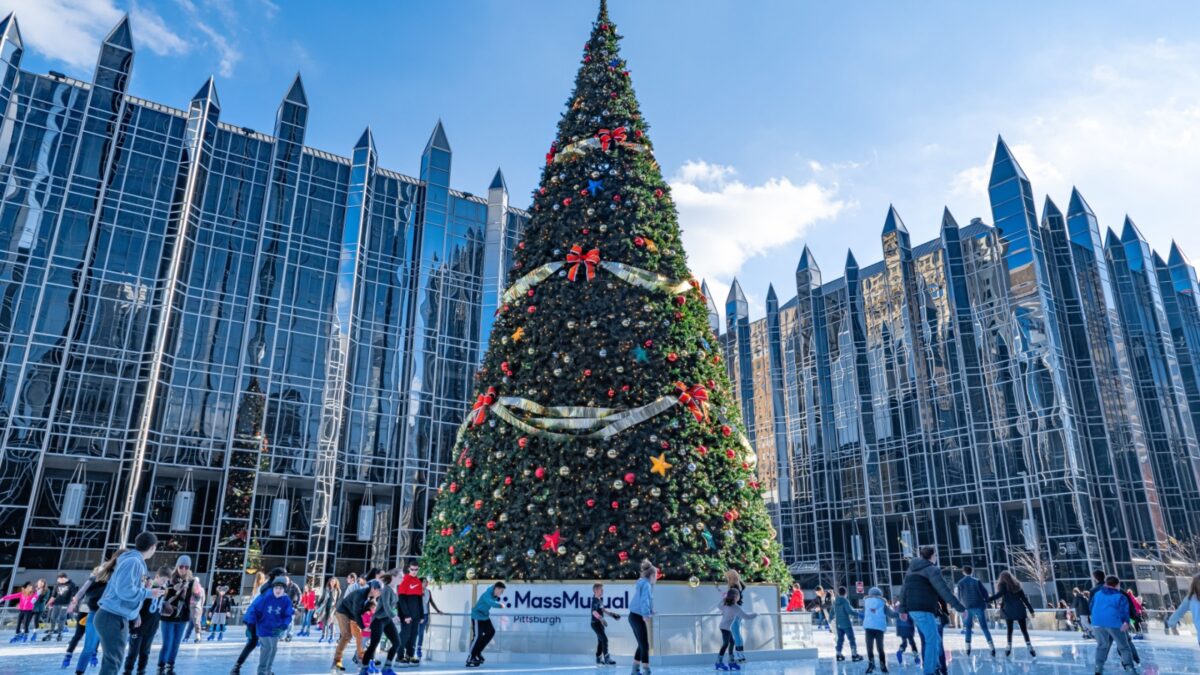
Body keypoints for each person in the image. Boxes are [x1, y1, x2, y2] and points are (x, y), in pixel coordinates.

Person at [93, 531, 160, 675]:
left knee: (112, 661)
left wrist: (135, 613)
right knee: (113, 662)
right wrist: (149, 593)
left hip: (115, 617)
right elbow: (124, 591)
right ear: (153, 547)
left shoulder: (135, 562)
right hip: (112, 617)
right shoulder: (133, 562)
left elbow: (128, 590)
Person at [897, 546, 964, 675]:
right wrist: (960, 607)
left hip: (913, 609)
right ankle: (929, 671)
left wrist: (903, 610)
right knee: (931, 640)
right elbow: (944, 590)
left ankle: (936, 664)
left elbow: (903, 590)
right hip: (924, 609)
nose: (936, 558)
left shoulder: (910, 570)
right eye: (936, 555)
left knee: (935, 638)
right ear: (932, 556)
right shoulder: (932, 570)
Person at [65, 549, 125, 672]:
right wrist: (74, 600)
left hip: (114, 615)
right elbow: (85, 589)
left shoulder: (125, 575)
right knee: (89, 647)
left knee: (112, 650)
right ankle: (79, 671)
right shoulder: (102, 572)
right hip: (96, 612)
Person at [231, 566, 287, 674]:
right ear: (276, 576)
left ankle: (237, 668)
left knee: (255, 644)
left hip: (257, 620)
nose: (285, 578)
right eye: (283, 575)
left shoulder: (269, 586)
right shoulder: (270, 589)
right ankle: (263, 671)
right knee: (267, 646)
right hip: (258, 620)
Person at [158, 555, 201, 674]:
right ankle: (161, 667)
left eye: (186, 567)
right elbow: (161, 594)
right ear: (177, 566)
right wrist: (172, 589)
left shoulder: (192, 582)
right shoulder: (169, 580)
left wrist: (196, 596)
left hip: (182, 617)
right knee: (167, 643)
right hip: (168, 616)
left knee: (176, 644)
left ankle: (170, 667)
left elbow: (197, 598)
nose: (183, 569)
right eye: (181, 566)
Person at [123, 566, 169, 675]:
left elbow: (158, 608)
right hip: (138, 625)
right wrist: (137, 615)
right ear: (157, 576)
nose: (164, 583)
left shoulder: (163, 590)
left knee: (145, 651)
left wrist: (165, 610)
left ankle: (141, 670)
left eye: (167, 581)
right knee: (133, 652)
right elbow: (137, 601)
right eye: (163, 580)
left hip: (152, 626)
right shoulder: (147, 586)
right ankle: (127, 671)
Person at [243, 578, 294, 675]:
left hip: (275, 629)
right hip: (263, 627)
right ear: (273, 588)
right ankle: (261, 671)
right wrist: (250, 625)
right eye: (276, 588)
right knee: (267, 648)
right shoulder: (265, 597)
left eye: (280, 588)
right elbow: (253, 610)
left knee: (273, 649)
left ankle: (268, 670)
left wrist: (283, 626)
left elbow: (288, 615)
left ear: (284, 589)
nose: (278, 590)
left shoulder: (286, 600)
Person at [359, 574, 404, 675]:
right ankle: (364, 669)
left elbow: (396, 605)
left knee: (397, 642)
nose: (402, 578)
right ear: (393, 577)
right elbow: (386, 605)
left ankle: (386, 668)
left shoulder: (395, 589)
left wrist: (401, 615)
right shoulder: (386, 589)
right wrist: (393, 616)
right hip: (378, 620)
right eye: (400, 576)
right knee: (373, 645)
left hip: (387, 620)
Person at [1091, 575, 1136, 674]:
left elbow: (1091, 607)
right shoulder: (1120, 596)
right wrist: (1126, 622)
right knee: (1123, 646)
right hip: (1114, 623)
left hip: (1097, 622)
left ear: (1106, 584)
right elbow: (1124, 611)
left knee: (1102, 645)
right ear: (1117, 585)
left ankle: (1098, 667)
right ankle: (1129, 668)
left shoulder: (1097, 594)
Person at [331, 579, 379, 672]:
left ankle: (361, 658)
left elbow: (366, 611)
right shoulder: (360, 595)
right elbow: (357, 613)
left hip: (353, 615)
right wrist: (364, 627)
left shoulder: (371, 597)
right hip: (343, 612)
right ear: (373, 589)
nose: (380, 593)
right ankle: (337, 660)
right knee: (347, 635)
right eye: (379, 591)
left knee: (359, 635)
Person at [986, 570, 1035, 658]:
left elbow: (998, 595)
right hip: (1020, 609)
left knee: (1010, 630)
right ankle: (1030, 647)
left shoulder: (1003, 586)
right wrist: (1031, 611)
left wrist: (987, 599)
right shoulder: (1017, 585)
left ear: (1002, 578)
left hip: (1009, 610)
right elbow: (1024, 599)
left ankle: (1009, 647)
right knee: (1024, 630)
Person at [955, 565, 995, 657]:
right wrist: (987, 600)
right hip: (979, 606)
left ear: (963, 572)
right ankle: (991, 647)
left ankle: (967, 648)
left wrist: (961, 606)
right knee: (984, 627)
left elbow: (959, 597)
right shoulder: (977, 581)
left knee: (968, 627)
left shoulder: (960, 582)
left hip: (967, 607)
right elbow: (984, 593)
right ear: (972, 572)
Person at [714, 588, 756, 671]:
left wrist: (725, 598)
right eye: (738, 595)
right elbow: (746, 616)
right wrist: (756, 614)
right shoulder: (735, 607)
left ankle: (731, 661)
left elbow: (719, 606)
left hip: (724, 627)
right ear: (736, 597)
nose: (739, 597)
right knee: (726, 643)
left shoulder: (726, 604)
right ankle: (719, 662)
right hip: (725, 628)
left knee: (732, 642)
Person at [467, 581, 506, 669]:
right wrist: (500, 605)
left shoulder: (495, 594)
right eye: (501, 591)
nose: (502, 593)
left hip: (484, 617)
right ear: (497, 589)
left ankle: (477, 652)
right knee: (478, 636)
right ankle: (471, 657)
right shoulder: (487, 594)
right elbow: (491, 603)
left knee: (491, 632)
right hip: (477, 616)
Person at [862, 587, 896, 674]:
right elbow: (891, 614)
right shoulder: (883, 603)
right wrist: (900, 614)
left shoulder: (866, 602)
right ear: (880, 594)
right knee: (880, 648)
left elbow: (864, 613)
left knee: (869, 647)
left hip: (869, 628)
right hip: (879, 628)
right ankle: (883, 665)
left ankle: (871, 664)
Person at [396, 562, 424, 665]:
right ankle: (399, 656)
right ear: (408, 569)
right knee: (405, 635)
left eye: (416, 569)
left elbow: (420, 600)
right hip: (406, 615)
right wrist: (406, 615)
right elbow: (401, 600)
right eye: (412, 569)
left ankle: (410, 655)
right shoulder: (404, 580)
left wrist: (421, 615)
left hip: (416, 615)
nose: (414, 571)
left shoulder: (418, 582)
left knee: (413, 635)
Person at [721, 570, 748, 664]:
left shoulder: (733, 587)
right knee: (737, 633)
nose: (727, 579)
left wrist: (725, 597)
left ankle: (740, 656)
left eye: (728, 577)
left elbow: (732, 601)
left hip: (735, 612)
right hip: (738, 610)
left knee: (736, 634)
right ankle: (741, 656)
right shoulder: (739, 586)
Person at [590, 583, 621, 666]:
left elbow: (603, 610)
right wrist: (601, 618)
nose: (602, 591)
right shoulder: (594, 600)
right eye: (601, 589)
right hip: (595, 624)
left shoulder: (599, 600)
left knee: (601, 640)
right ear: (595, 590)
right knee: (604, 639)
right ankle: (607, 658)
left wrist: (613, 615)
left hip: (600, 624)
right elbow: (594, 612)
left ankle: (598, 658)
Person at [1167, 573, 1200, 647]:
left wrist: (1171, 623)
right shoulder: (1190, 599)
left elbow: (1179, 612)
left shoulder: (1190, 599)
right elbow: (1179, 612)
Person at [832, 586, 862, 662]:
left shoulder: (835, 602)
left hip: (838, 624)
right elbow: (849, 611)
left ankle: (838, 655)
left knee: (840, 640)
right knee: (851, 639)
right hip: (846, 624)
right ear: (845, 593)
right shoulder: (845, 601)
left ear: (838, 593)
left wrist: (829, 620)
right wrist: (858, 614)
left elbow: (832, 612)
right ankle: (854, 655)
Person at [47, 572, 79, 642]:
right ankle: (51, 631)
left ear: (63, 578)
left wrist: (73, 604)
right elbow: (53, 596)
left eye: (59, 579)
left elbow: (74, 595)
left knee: (62, 618)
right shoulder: (57, 584)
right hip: (56, 604)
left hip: (65, 604)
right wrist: (48, 603)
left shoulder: (71, 584)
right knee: (53, 617)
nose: (58, 580)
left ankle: (60, 632)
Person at [416, 577, 441, 660]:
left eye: (426, 582)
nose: (426, 583)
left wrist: (437, 610)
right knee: (415, 632)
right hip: (417, 615)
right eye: (424, 582)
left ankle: (419, 649)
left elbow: (431, 602)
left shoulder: (428, 592)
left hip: (425, 615)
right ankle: (410, 648)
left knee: (421, 633)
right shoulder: (416, 591)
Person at [894, 599, 919, 667]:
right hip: (908, 627)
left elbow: (896, 615)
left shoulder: (897, 605)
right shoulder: (908, 605)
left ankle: (900, 651)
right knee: (912, 642)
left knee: (904, 642)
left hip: (900, 627)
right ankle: (916, 657)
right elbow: (912, 616)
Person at [315, 576, 341, 644]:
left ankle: (332, 637)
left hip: (333, 609)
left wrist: (336, 609)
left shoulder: (338, 590)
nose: (332, 583)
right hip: (325, 608)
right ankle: (323, 636)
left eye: (333, 582)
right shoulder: (326, 589)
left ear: (335, 583)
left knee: (332, 623)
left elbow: (338, 601)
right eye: (331, 581)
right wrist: (317, 605)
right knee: (324, 622)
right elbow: (322, 598)